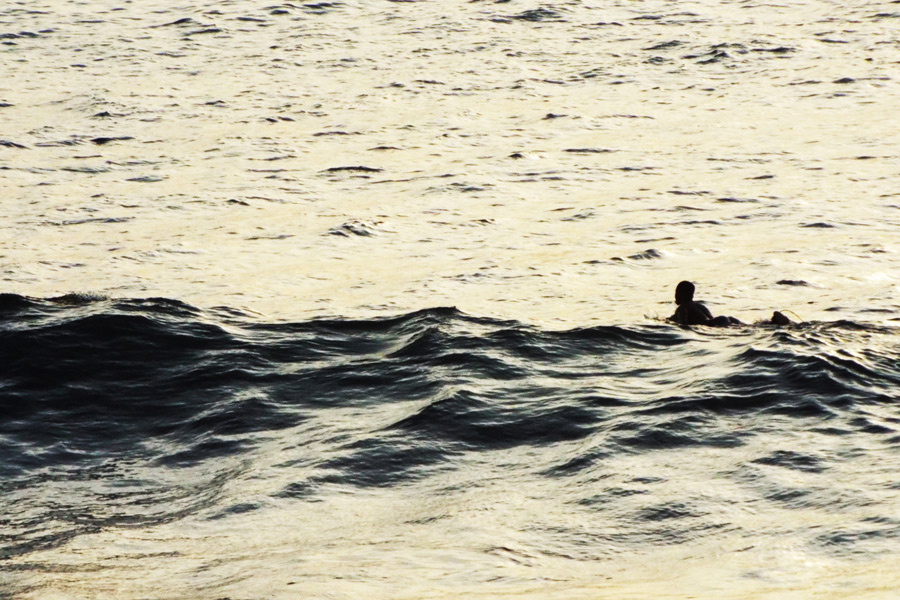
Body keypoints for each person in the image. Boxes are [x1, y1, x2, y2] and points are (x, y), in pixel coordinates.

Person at [670, 281, 743, 327]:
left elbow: (683, 324)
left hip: (712, 324)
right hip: (722, 319)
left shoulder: (682, 308)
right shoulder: (699, 305)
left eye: (676, 292)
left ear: (680, 294)